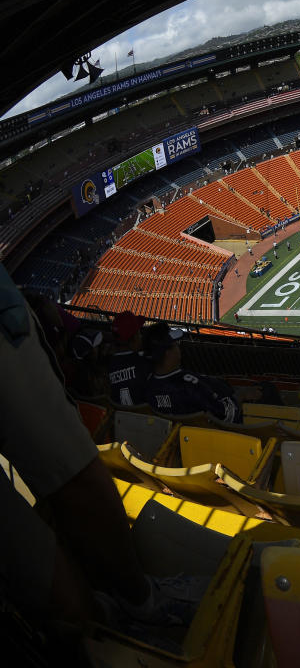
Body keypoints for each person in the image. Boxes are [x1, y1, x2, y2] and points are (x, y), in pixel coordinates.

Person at [0, 266, 203, 652]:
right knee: (69, 473)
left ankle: (91, 629)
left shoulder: (112, 376)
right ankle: (132, 609)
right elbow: (70, 473)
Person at [143, 323, 252, 423]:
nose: (179, 347)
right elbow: (226, 415)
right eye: (176, 344)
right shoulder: (190, 385)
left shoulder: (148, 386)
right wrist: (241, 395)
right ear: (167, 353)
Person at [107, 310, 150, 407]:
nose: (141, 336)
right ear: (134, 338)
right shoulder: (144, 363)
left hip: (119, 417)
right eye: (139, 333)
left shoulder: (108, 364)